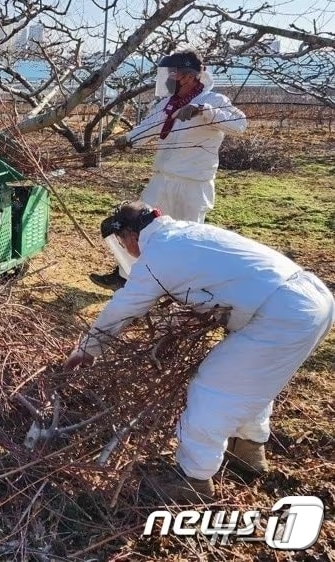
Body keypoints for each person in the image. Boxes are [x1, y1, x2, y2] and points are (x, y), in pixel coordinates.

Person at [64, 201, 335, 503]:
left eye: (122, 243)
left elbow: (123, 308)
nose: (125, 251)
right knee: (249, 383)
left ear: (129, 234)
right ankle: (247, 451)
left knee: (211, 389)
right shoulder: (186, 233)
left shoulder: (156, 257)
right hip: (312, 300)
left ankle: (192, 479)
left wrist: (87, 350)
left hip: (279, 313)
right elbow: (200, 290)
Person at [90, 50, 248, 291]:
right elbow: (149, 127)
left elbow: (240, 124)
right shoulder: (167, 103)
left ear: (188, 76)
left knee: (186, 241)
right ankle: (125, 278)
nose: (167, 80)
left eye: (171, 74)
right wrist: (128, 139)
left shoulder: (214, 100)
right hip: (162, 180)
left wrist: (203, 111)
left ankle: (180, 290)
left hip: (193, 184)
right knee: (136, 229)